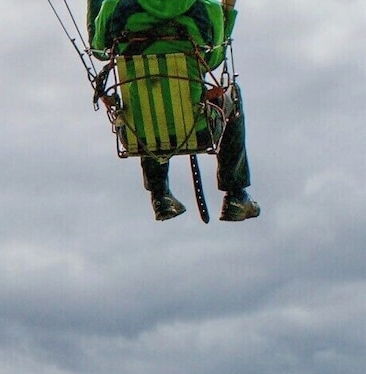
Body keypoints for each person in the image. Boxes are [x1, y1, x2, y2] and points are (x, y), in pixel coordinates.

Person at [88, 0, 260, 221]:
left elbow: (99, 49)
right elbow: (214, 60)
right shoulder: (207, 9)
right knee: (232, 94)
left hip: (137, 134)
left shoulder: (115, 6)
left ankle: (160, 195)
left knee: (146, 100)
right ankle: (236, 195)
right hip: (198, 129)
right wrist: (227, 12)